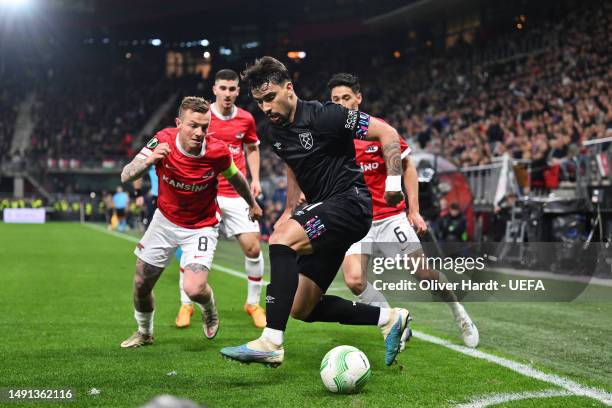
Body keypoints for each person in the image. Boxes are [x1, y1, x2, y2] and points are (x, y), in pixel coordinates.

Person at [220, 57, 410, 367]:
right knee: (301, 308)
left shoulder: (328, 115)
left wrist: (392, 182)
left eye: (270, 98)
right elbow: (295, 167)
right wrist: (290, 207)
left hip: (352, 202)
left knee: (280, 239)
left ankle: (271, 341)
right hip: (326, 209)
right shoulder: (275, 132)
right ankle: (389, 317)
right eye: (259, 102)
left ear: (289, 88)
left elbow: (386, 133)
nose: (266, 108)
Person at [329, 73, 478, 348]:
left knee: (424, 274)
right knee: (353, 280)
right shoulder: (331, 137)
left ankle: (459, 312)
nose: (341, 105)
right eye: (335, 100)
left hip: (390, 217)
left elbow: (409, 167)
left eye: (346, 98)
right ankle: (392, 321)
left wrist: (415, 210)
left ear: (358, 99)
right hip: (356, 220)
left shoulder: (379, 130)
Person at [119, 96, 262, 348]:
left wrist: (252, 202)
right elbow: (126, 174)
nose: (199, 133)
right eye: (193, 125)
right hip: (164, 221)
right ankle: (144, 332)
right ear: (179, 123)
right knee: (141, 284)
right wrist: (150, 161)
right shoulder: (162, 140)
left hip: (201, 225)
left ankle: (209, 308)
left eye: (204, 127)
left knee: (195, 288)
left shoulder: (217, 151)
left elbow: (236, 176)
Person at [175, 69, 266, 329]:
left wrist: (256, 179)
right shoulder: (203, 118)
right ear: (214, 89)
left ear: (238, 91)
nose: (227, 93)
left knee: (253, 248)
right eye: (222, 88)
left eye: (232, 89)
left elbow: (251, 148)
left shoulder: (246, 119)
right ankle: (186, 304)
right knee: (192, 250)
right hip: (207, 193)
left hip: (236, 194)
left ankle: (252, 303)